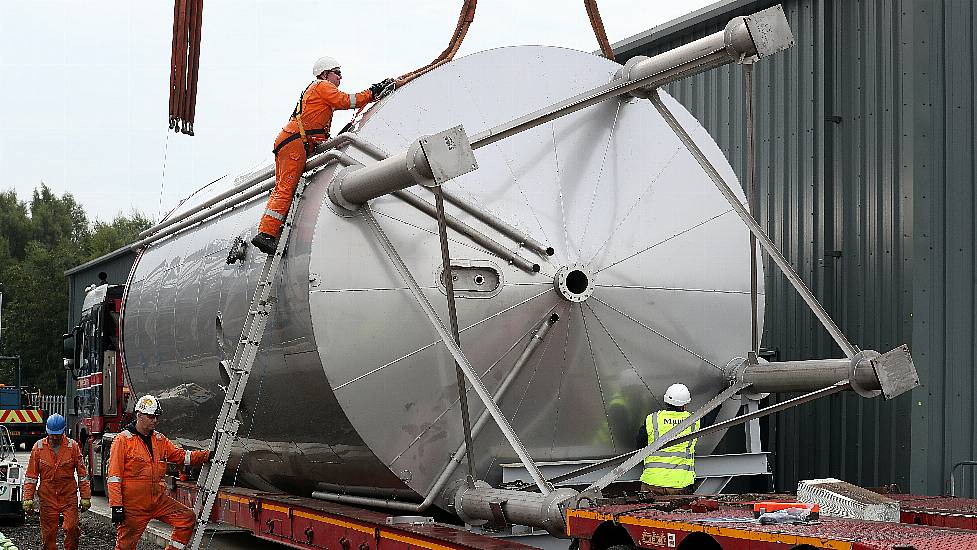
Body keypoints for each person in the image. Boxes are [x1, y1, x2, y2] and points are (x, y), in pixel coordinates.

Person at [251, 56, 395, 254]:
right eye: (337, 73)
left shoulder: (315, 90)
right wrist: (373, 92)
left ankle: (269, 231)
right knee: (286, 187)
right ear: (325, 73)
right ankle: (266, 234)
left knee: (283, 187)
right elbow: (347, 101)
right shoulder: (322, 86)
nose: (340, 77)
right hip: (295, 143)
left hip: (293, 141)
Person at [107, 395, 210, 550]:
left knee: (187, 518)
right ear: (139, 415)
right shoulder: (123, 440)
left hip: (158, 502)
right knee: (124, 547)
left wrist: (207, 455)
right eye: (151, 417)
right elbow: (114, 477)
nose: (155, 420)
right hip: (133, 508)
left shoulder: (159, 440)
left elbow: (182, 457)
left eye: (156, 417)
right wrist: (117, 506)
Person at [23, 413, 92, 550]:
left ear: (63, 432)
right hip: (47, 498)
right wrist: (27, 498)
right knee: (48, 534)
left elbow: (82, 475)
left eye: (57, 434)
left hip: (68, 497)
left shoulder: (72, 447)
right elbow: (31, 476)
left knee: (72, 528)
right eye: (52, 434)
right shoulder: (39, 448)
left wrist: (85, 497)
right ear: (47, 431)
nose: (54, 437)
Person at [638, 383, 699, 495]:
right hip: (678, 485)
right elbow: (710, 418)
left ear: (666, 401)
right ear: (684, 405)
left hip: (651, 484)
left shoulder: (653, 419)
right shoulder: (693, 421)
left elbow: (640, 444)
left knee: (648, 513)